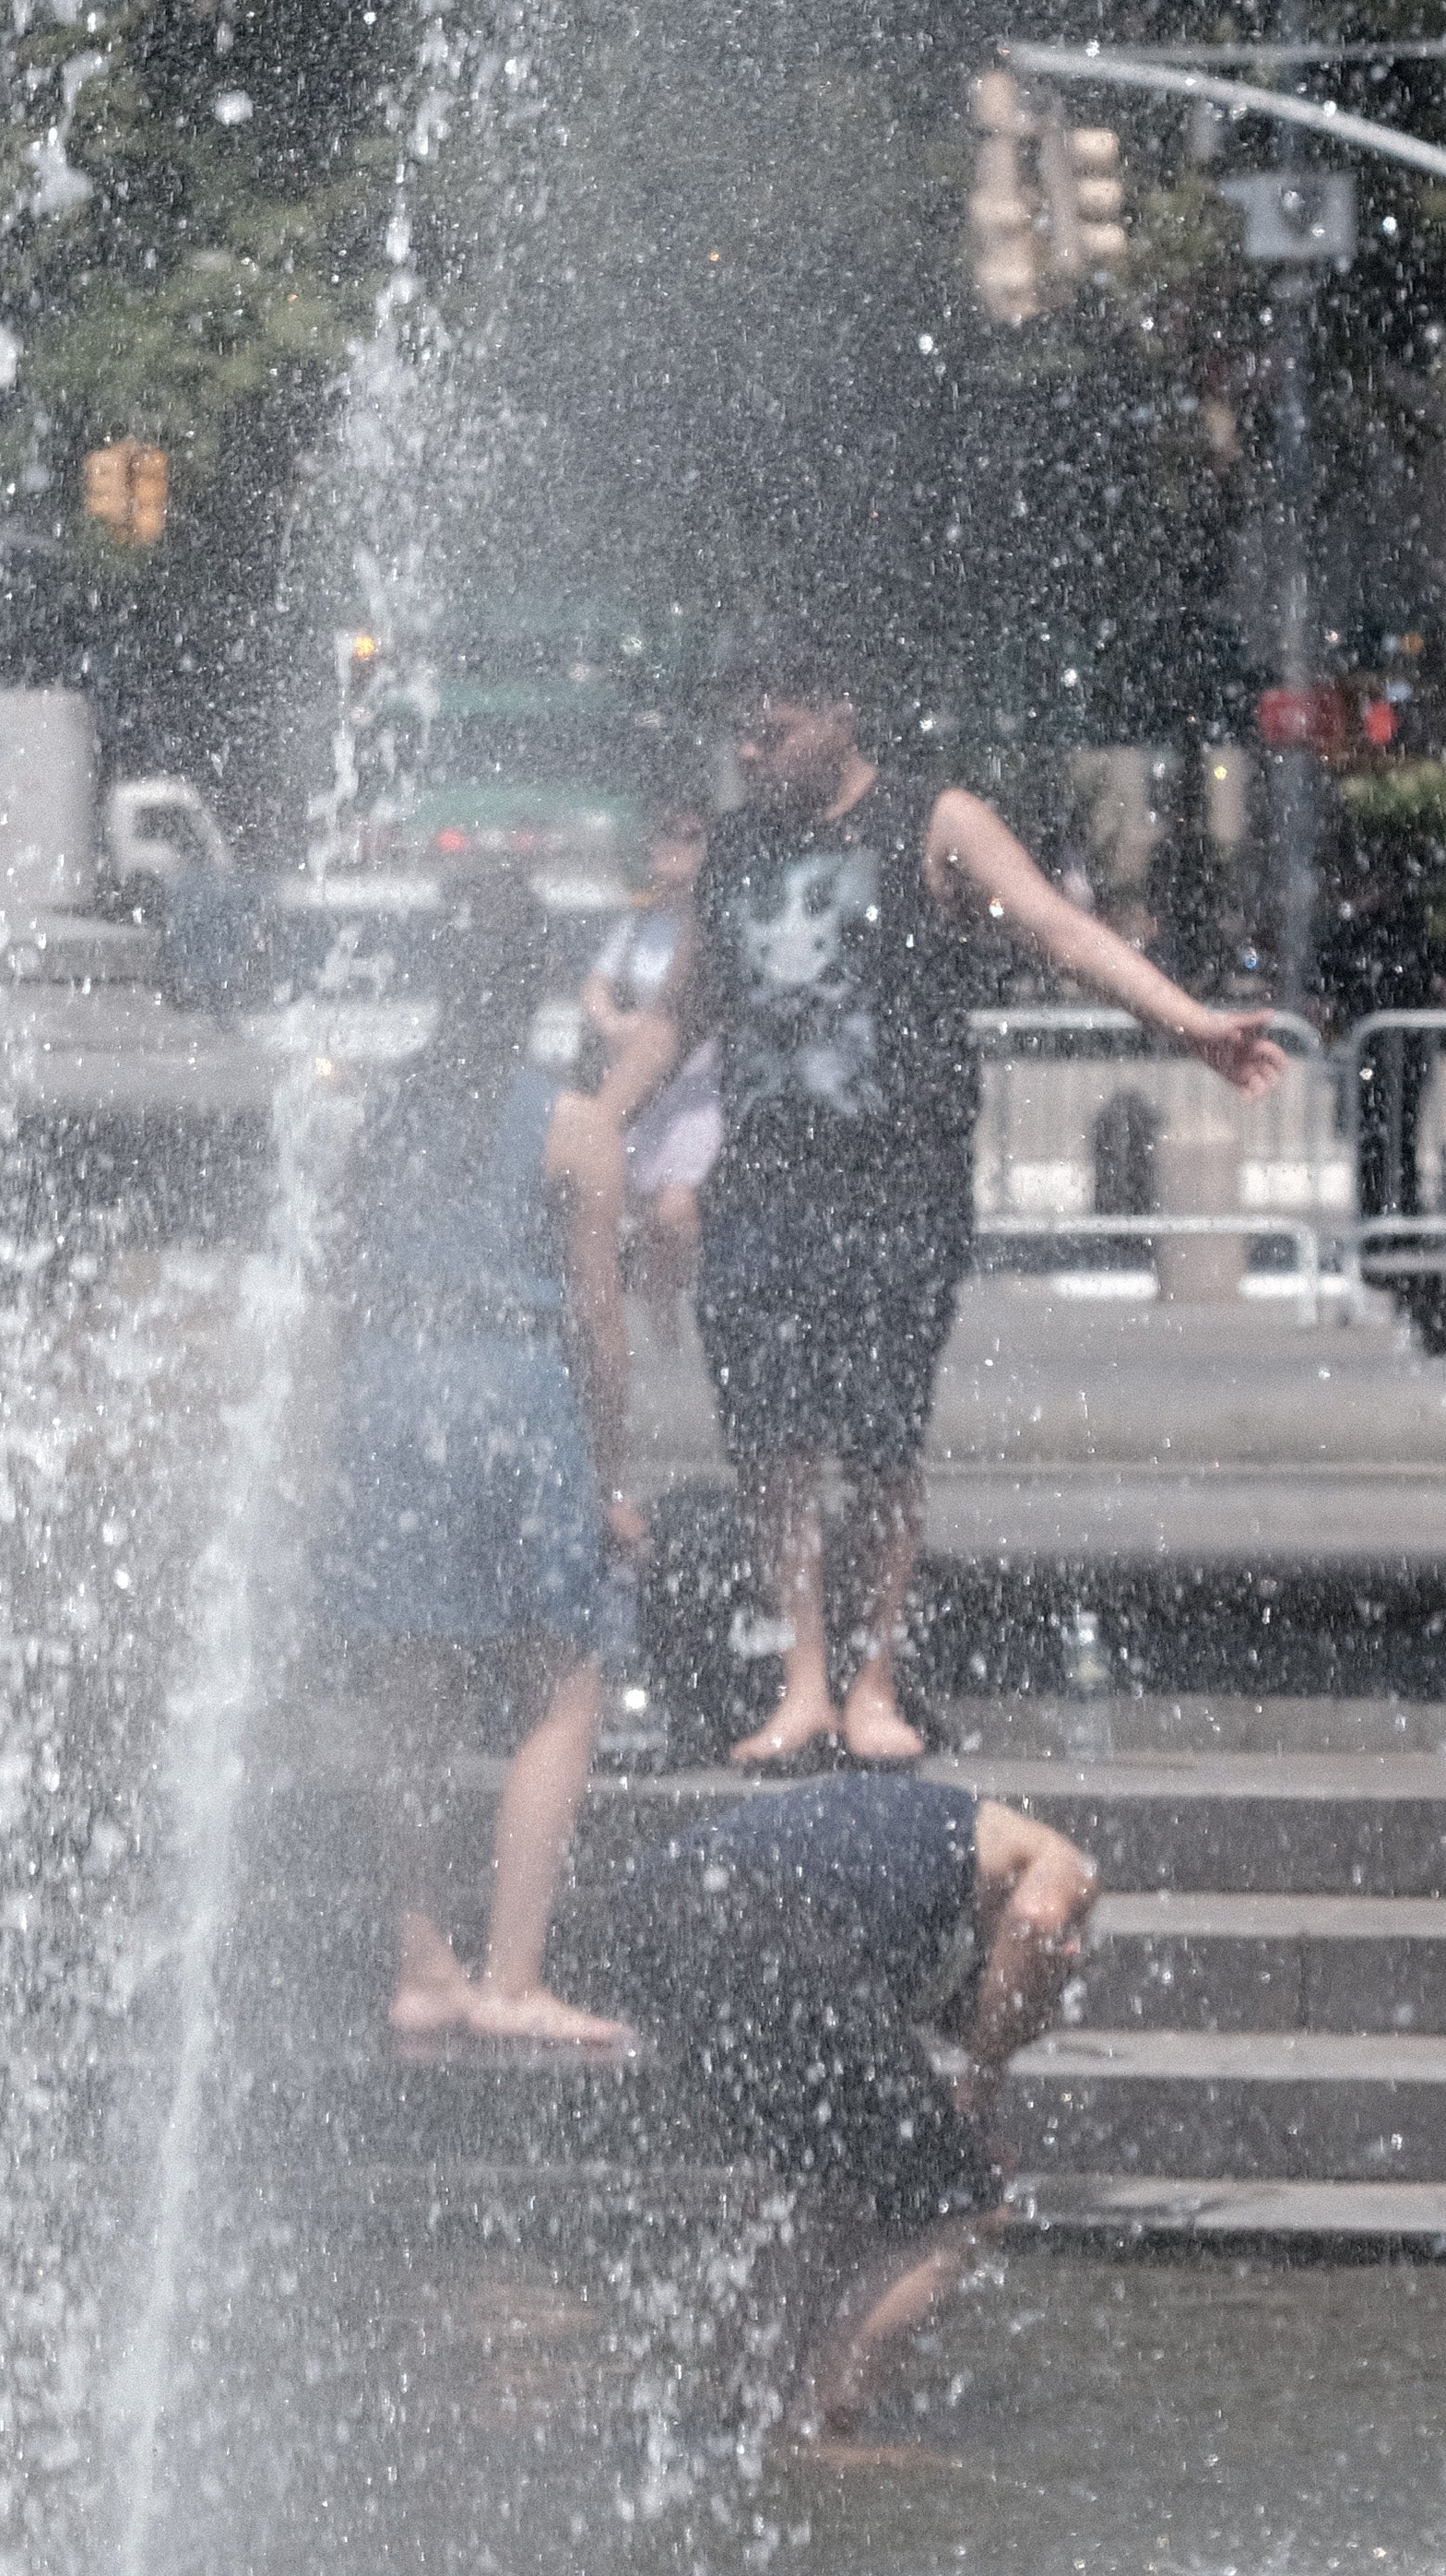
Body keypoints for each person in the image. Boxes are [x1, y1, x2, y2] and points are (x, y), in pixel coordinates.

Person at [565, 647, 1286, 1768]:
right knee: (767, 1439)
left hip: (897, 1183)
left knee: (879, 1439)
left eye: (770, 730)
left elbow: (1057, 930)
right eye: (739, 733)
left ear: (839, 711)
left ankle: (873, 1679)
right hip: (762, 1181)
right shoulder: (736, 845)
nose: (748, 753)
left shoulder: (932, 820)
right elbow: (679, 1010)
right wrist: (595, 1125)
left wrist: (1185, 1022)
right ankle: (801, 1681)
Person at [324, 860, 639, 2047]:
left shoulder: (372, 1115)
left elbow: (344, 1294)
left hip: (392, 1395)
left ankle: (421, 1965)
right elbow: (598, 1328)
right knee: (560, 1683)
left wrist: (339, 1438)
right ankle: (510, 1978)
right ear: (539, 983)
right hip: (513, 1398)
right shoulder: (573, 1128)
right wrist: (608, 1476)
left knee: (407, 1689)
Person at [602, 1770, 1096, 2438]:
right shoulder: (1055, 1861)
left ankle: (750, 2408)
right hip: (759, 1914)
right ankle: (824, 2428)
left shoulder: (908, 1873)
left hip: (647, 1918)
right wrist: (980, 2091)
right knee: (967, 2211)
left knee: (827, 2191)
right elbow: (1038, 1922)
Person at [577, 802, 723, 1344]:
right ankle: (663, 1322)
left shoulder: (714, 926)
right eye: (665, 839)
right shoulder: (639, 923)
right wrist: (614, 1023)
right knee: (642, 1218)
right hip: (640, 1089)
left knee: (675, 1212)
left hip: (698, 1090)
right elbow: (596, 987)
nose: (672, 850)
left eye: (687, 840)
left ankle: (673, 1299)